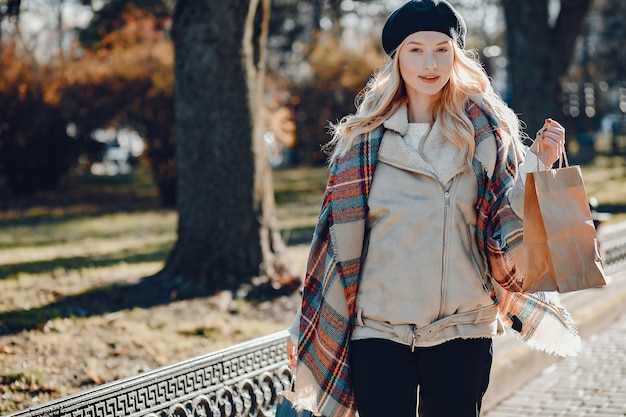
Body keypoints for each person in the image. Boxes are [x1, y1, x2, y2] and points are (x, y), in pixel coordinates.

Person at [285, 1, 580, 416]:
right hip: (379, 332)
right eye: (416, 49)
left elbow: (505, 226)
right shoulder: (362, 143)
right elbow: (333, 248)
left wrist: (540, 164)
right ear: (398, 58)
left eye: (442, 49)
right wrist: (307, 322)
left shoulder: (485, 133)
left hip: (463, 328)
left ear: (456, 54)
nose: (430, 62)